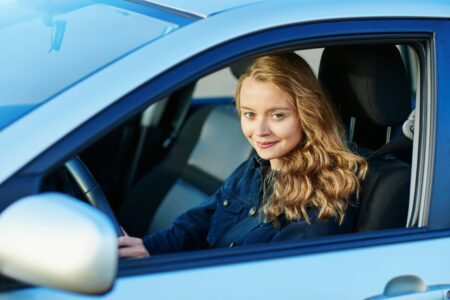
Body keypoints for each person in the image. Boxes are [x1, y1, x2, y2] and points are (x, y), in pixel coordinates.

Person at [118, 53, 367, 258]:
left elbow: (274, 278)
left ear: (308, 115)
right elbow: (201, 220)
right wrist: (150, 248)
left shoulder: (329, 192)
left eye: (277, 115)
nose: (259, 131)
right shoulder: (254, 168)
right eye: (249, 114)